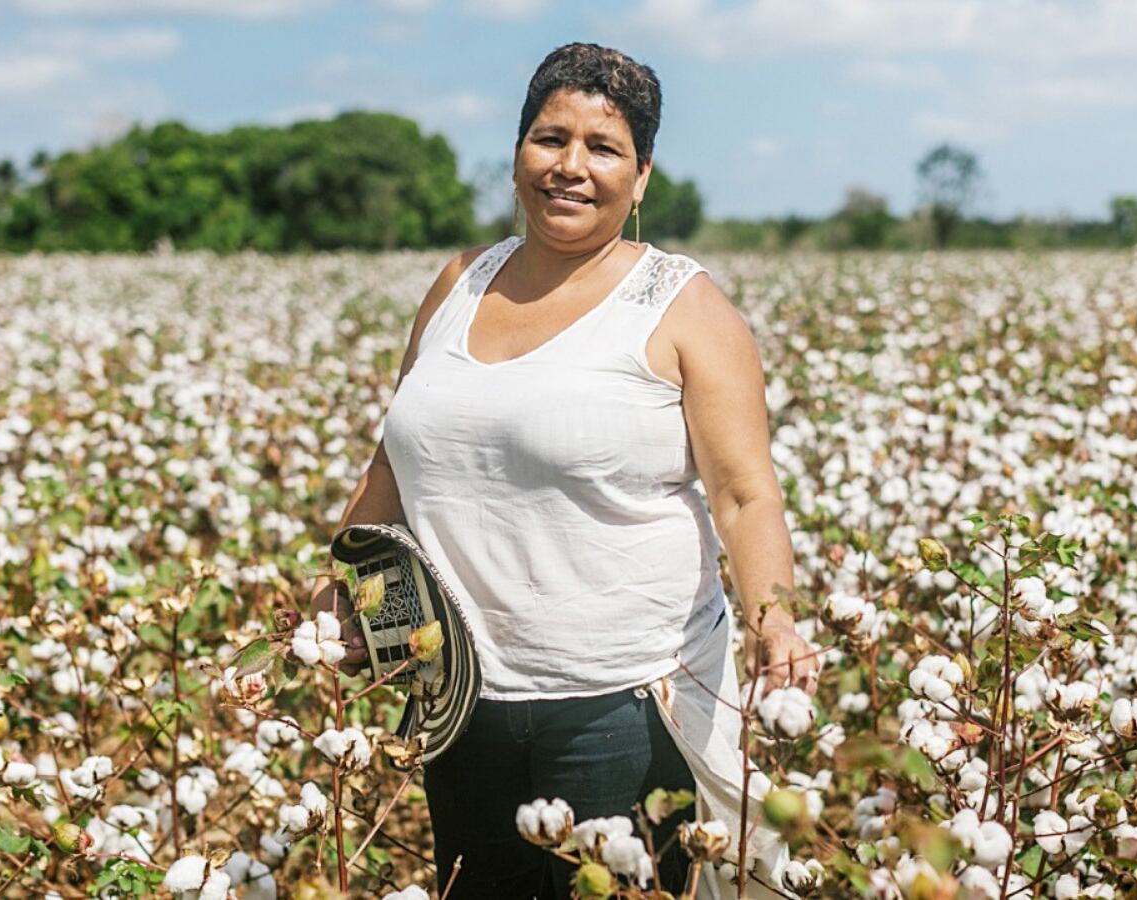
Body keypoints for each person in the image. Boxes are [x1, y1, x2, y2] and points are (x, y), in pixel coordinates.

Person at [313, 42, 820, 899]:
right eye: (550, 139)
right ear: (517, 152)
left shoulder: (682, 307)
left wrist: (775, 617)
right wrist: (343, 582)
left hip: (622, 703)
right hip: (461, 698)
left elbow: (744, 495)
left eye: (603, 148)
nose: (570, 167)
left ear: (642, 175)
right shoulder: (458, 284)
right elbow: (396, 461)